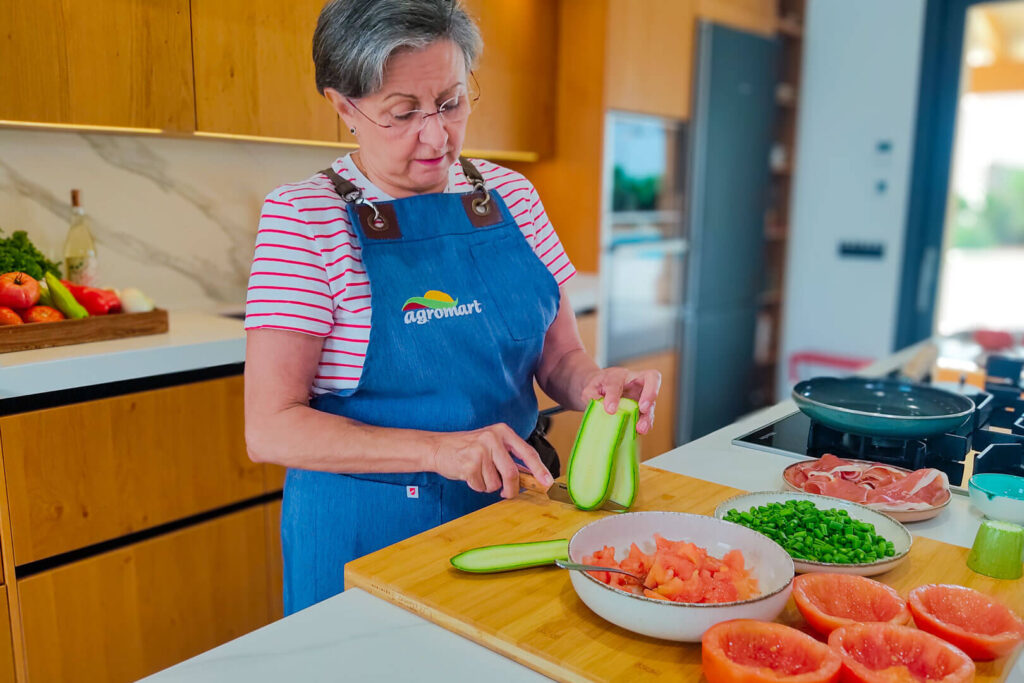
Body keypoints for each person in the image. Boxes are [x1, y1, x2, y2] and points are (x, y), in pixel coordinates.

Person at [243, 0, 662, 615]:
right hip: (366, 530)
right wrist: (438, 450)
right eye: (403, 113)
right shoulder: (305, 218)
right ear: (343, 107)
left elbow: (560, 356)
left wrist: (597, 385)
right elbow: (271, 424)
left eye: (451, 102)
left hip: (510, 510)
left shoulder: (513, 195)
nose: (437, 135)